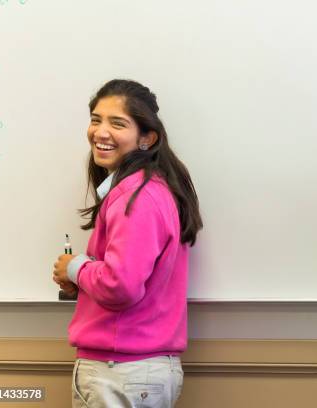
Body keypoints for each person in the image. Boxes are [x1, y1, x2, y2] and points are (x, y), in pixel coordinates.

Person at [52, 79, 202, 407]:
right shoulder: (150, 191)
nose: (101, 132)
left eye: (117, 123)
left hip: (119, 371)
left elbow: (121, 286)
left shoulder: (136, 197)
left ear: (147, 138)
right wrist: (86, 280)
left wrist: (75, 267)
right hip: (135, 370)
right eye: (96, 119)